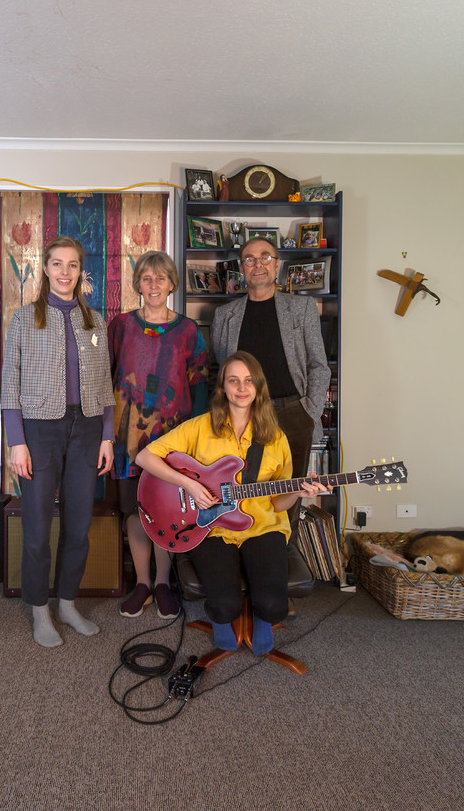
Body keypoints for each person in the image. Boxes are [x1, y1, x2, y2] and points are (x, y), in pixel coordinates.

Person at [135, 352, 328, 654]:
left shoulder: (275, 437)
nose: (241, 388)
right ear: (223, 387)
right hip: (210, 528)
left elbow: (278, 505)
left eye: (249, 381)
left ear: (258, 388)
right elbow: (144, 457)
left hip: (262, 526)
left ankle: (262, 617)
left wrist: (299, 493)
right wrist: (191, 485)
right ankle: (224, 617)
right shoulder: (199, 427)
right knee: (224, 607)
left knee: (274, 608)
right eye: (233, 380)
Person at [1, 236, 114, 648]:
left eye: (72, 265)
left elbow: (105, 385)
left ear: (81, 272)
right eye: (57, 264)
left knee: (78, 526)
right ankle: (40, 610)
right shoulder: (25, 319)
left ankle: (67, 603)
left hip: (86, 431)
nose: (65, 272)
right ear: (45, 269)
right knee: (36, 529)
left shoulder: (95, 321)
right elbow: (8, 383)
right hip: (38, 431)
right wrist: (17, 442)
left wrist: (107, 436)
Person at [108, 250, 210, 619]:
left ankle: (164, 583)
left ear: (171, 284)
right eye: (147, 278)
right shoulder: (120, 325)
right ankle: (141, 584)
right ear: (138, 283)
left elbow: (199, 383)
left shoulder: (188, 330)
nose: (153, 285)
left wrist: (196, 438)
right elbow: (106, 379)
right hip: (128, 438)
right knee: (136, 511)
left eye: (161, 278)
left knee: (169, 510)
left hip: (173, 440)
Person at [211, 237, 329, 534]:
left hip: (293, 413)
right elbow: (220, 369)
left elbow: (318, 365)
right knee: (242, 489)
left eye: (265, 257)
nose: (258, 264)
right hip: (242, 415)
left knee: (289, 492)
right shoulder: (225, 316)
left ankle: (280, 553)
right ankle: (244, 548)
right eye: (250, 259)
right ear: (242, 268)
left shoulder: (302, 308)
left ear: (277, 265)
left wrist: (309, 412)